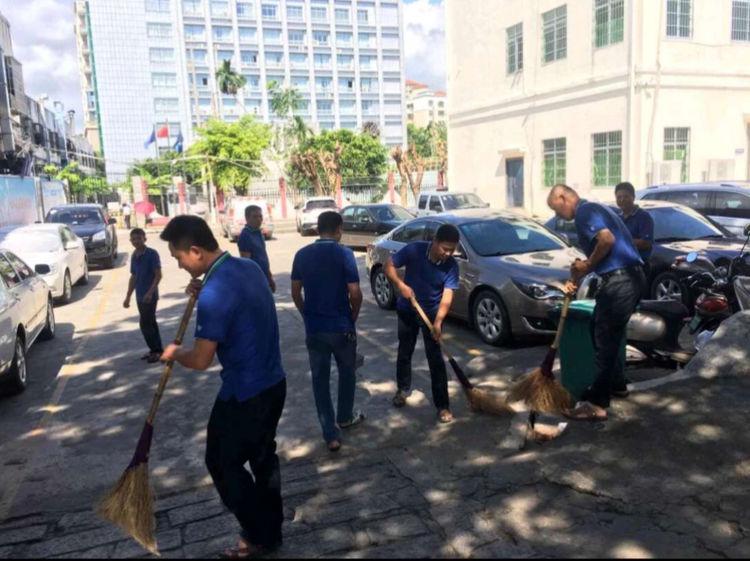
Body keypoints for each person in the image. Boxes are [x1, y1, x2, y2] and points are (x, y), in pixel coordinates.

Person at [159, 216, 287, 559]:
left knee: (221, 462)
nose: (179, 265)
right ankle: (271, 532)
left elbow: (201, 359)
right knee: (262, 458)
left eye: (179, 258)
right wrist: (205, 290)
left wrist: (175, 353)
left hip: (244, 394)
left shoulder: (214, 292)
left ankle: (257, 533)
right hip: (275, 383)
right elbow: (238, 303)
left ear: (196, 251)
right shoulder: (248, 268)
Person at [547, 184, 646, 422]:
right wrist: (581, 270)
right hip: (630, 277)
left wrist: (587, 265)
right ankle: (616, 384)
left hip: (621, 281)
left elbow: (606, 240)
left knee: (605, 339)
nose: (557, 215)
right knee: (602, 332)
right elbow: (604, 249)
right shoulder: (595, 208)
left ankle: (596, 404)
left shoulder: (585, 212)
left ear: (563, 197)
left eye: (556, 209)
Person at [291, 211, 365, 453]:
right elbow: (355, 293)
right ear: (339, 229)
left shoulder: (301, 255)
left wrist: (306, 314)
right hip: (342, 327)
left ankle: (330, 435)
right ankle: (345, 417)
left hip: (315, 329)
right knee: (347, 372)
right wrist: (352, 317)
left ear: (317, 229)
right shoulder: (345, 254)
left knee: (320, 380)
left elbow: (295, 292)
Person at [385, 224, 460, 424]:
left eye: (452, 250)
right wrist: (400, 285)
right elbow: (388, 265)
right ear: (435, 241)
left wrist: (438, 322)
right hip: (407, 309)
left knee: (435, 359)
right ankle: (402, 389)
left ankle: (443, 405)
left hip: (433, 313)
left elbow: (447, 296)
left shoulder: (451, 265)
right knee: (405, 351)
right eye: (445, 248)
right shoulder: (414, 250)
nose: (448, 253)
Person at [123, 228, 163, 363]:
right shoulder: (134, 255)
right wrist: (128, 296)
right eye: (133, 239)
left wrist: (150, 292)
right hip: (139, 296)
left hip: (150, 296)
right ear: (130, 241)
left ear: (144, 239)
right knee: (151, 322)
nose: (136, 241)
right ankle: (156, 349)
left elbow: (158, 275)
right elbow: (134, 276)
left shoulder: (152, 254)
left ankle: (156, 351)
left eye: (139, 238)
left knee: (145, 323)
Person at [615, 182, 654, 275]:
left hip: (639, 267)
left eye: (626, 196)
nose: (622, 200)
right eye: (619, 197)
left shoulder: (643, 216)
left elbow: (646, 243)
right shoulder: (617, 217)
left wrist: (620, 242)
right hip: (621, 266)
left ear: (633, 197)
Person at [238, 205, 275, 293]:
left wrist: (270, 278)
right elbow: (246, 263)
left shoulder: (258, 233)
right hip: (256, 280)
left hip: (264, 276)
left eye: (260, 216)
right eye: (255, 217)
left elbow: (263, 257)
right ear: (247, 218)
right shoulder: (246, 235)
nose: (259, 219)